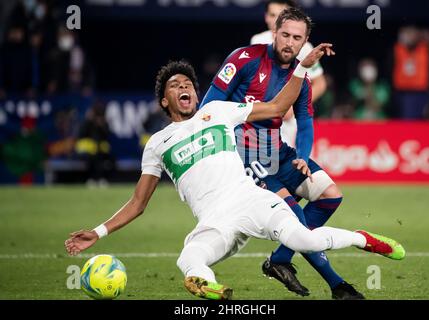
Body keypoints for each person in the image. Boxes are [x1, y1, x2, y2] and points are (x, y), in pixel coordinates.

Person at [65, 59, 405, 301]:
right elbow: (139, 203)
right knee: (188, 258)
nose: (184, 87)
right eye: (175, 85)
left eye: (188, 84)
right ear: (163, 101)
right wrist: (97, 232)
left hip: (250, 199)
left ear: (196, 95)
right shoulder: (157, 145)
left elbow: (275, 107)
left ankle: (364, 240)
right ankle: (210, 287)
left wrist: (301, 69)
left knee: (306, 240)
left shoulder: (218, 113)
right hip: (214, 219)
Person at [200, 7, 363, 299]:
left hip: (277, 150)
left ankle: (280, 259)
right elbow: (208, 109)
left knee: (331, 195)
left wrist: (302, 154)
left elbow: (306, 121)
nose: (289, 42)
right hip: (244, 155)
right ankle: (338, 286)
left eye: (296, 38)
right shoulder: (244, 59)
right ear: (274, 33)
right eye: (284, 34)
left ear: (305, 42)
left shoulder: (301, 80)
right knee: (294, 214)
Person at [250, 0, 327, 148]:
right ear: (266, 17)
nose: (275, 20)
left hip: (290, 122)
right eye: (272, 15)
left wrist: (294, 106)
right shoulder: (257, 41)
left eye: (280, 16)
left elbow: (320, 84)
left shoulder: (304, 47)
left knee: (291, 164)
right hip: (262, 117)